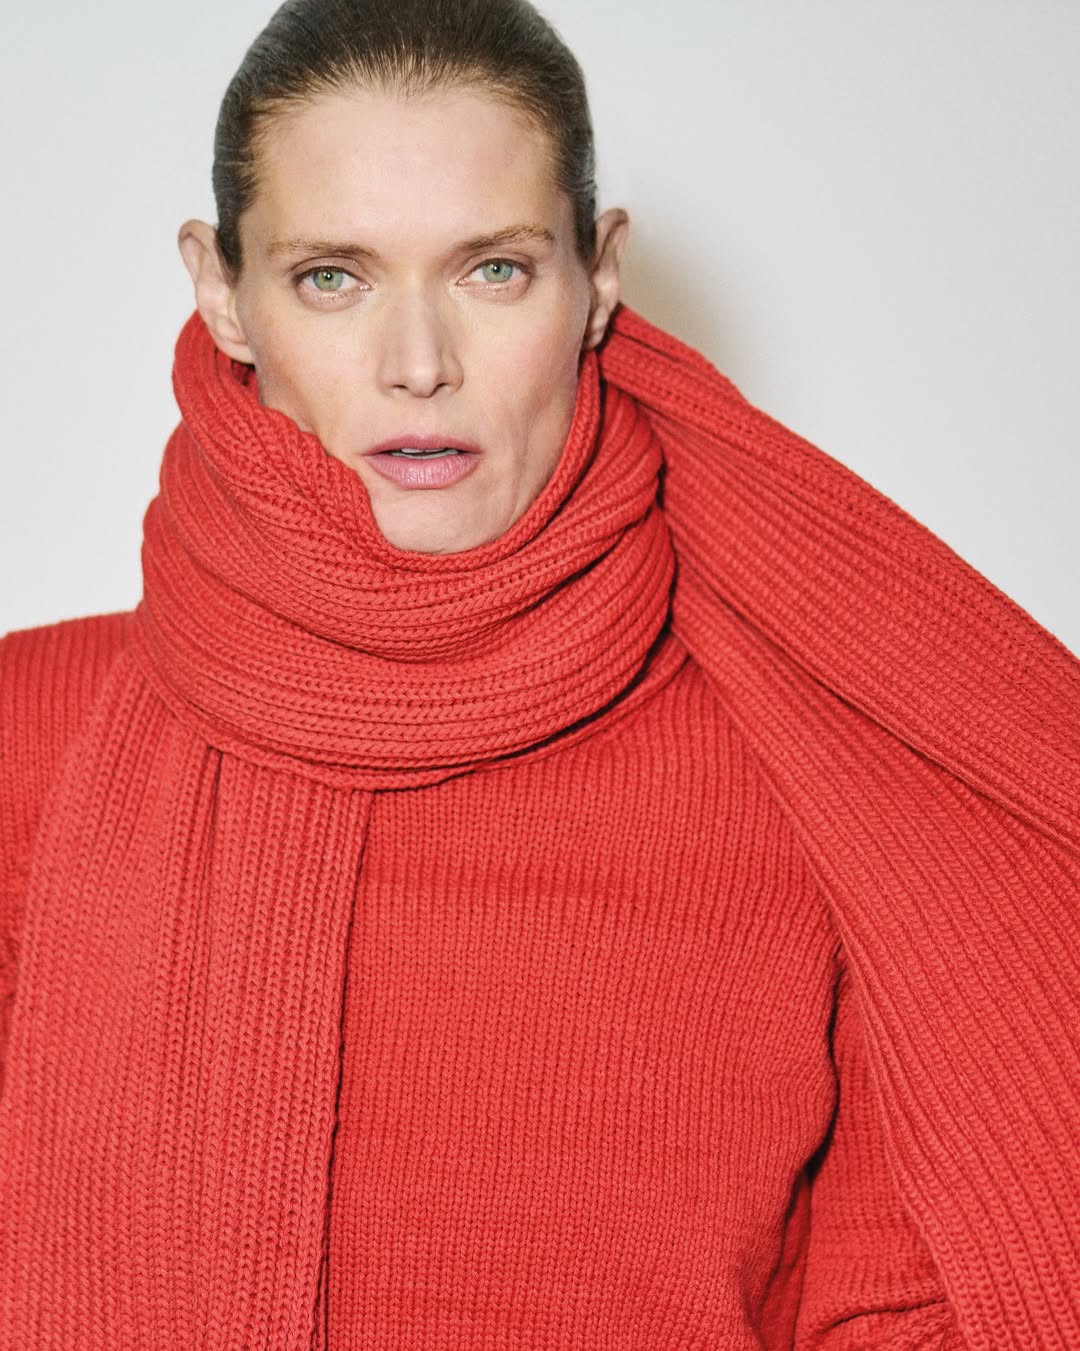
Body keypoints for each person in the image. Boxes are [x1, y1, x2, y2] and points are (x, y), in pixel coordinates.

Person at [0, 1, 1077, 1347]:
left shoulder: (816, 775)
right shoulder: (26, 739)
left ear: (598, 276)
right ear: (223, 293)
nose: (418, 366)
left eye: (493, 270)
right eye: (332, 276)